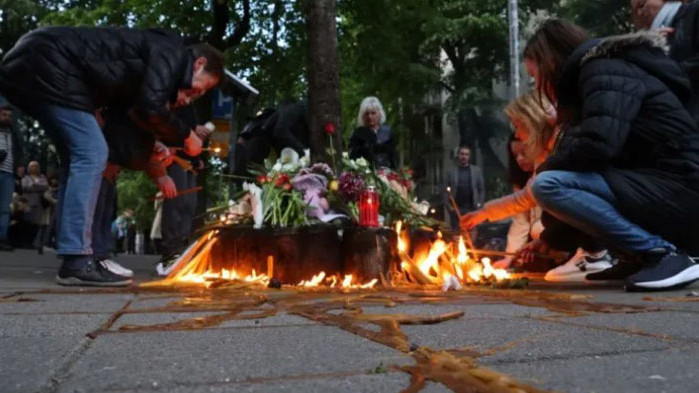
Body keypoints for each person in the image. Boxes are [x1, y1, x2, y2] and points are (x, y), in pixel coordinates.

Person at [0, 26, 223, 286]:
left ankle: (83, 254)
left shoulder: (149, 63)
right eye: (201, 88)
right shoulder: (172, 52)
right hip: (50, 62)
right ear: (199, 63)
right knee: (92, 153)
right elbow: (150, 106)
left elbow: (130, 115)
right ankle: (76, 259)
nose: (197, 95)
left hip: (34, 64)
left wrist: (151, 148)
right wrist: (186, 136)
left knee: (79, 159)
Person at [522, 19, 699, 291]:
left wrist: (545, 168)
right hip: (664, 186)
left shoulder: (603, 69)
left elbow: (599, 143)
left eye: (535, 77)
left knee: (548, 184)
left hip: (682, 187)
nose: (536, 86)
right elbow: (597, 173)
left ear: (551, 62)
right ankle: (636, 257)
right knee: (555, 181)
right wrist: (551, 238)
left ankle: (661, 254)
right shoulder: (598, 76)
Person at [463, 93, 615, 281]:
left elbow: (557, 196)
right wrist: (484, 213)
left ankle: (594, 254)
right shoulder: (547, 151)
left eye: (518, 126)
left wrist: (547, 238)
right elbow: (525, 198)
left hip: (611, 207)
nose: (517, 134)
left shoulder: (565, 144)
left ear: (532, 122)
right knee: (544, 218)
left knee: (547, 213)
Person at [630, 0, 699, 120]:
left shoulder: (694, 12)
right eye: (635, 11)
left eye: (642, 4)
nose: (640, 13)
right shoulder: (646, 43)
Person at [349, 96, 397, 169]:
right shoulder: (357, 134)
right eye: (367, 114)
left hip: (387, 174)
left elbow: (393, 158)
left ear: (379, 114)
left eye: (373, 113)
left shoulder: (388, 132)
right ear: (362, 116)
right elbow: (353, 159)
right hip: (365, 174)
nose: (370, 117)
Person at [445, 146, 485, 231]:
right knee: (456, 234)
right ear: (458, 155)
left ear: (469, 156)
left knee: (471, 232)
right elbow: (444, 191)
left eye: (466, 154)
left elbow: (481, 189)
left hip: (472, 209)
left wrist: (479, 204)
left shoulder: (476, 171)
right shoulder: (451, 172)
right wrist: (450, 207)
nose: (464, 157)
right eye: (462, 154)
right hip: (456, 209)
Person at [0, 105, 23, 251]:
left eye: (9, 115)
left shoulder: (13, 134)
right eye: (4, 115)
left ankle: (2, 238)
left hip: (8, 174)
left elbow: (19, 151)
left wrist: (20, 165)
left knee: (5, 209)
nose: (7, 118)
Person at [21, 161, 49, 250]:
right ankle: (24, 242)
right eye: (32, 166)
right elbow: (25, 187)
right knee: (27, 222)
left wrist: (34, 186)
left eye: (36, 166)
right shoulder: (26, 178)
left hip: (38, 203)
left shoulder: (42, 178)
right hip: (27, 202)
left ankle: (31, 242)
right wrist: (38, 187)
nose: (35, 168)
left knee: (35, 224)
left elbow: (45, 186)